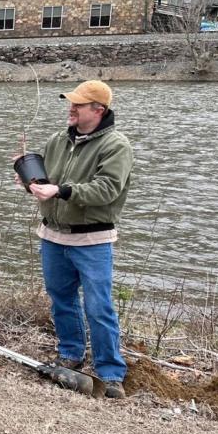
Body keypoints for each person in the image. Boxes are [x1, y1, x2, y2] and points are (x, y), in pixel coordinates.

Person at [25, 79, 134, 399]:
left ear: (98, 110)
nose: (70, 108)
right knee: (61, 300)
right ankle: (71, 355)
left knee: (99, 307)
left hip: (93, 241)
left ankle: (111, 373)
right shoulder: (58, 140)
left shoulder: (117, 146)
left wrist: (61, 190)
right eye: (70, 103)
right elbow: (46, 182)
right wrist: (28, 180)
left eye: (79, 104)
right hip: (53, 236)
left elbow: (107, 190)